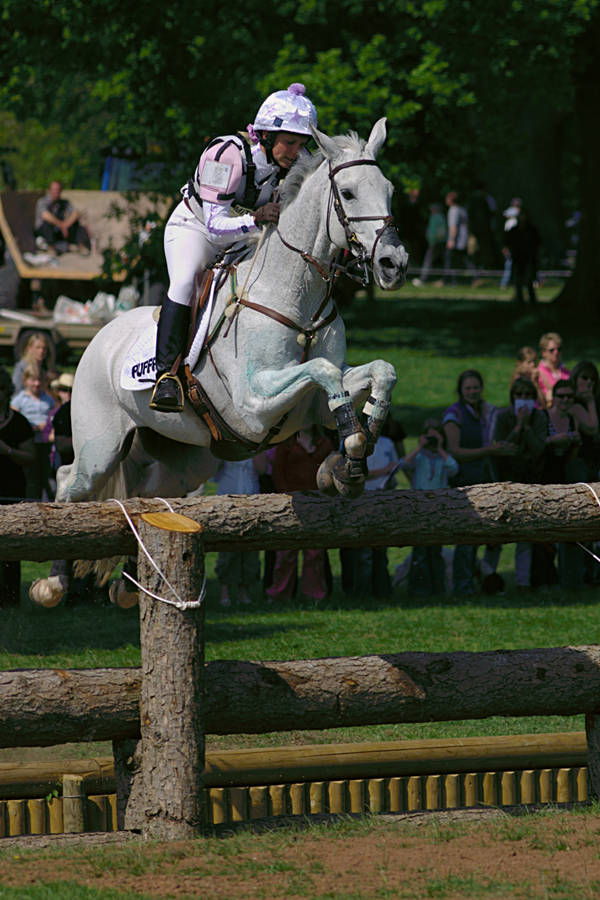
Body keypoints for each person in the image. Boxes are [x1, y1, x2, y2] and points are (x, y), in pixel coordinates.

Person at [150, 82, 318, 413]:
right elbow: (214, 224)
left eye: (302, 143)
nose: (297, 151)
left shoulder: (297, 162)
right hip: (195, 229)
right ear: (266, 136)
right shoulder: (225, 153)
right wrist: (257, 220)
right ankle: (166, 376)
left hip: (244, 237)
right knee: (185, 282)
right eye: (290, 142)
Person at [442, 369, 516, 596]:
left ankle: (487, 581)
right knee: (468, 537)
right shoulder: (454, 415)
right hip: (465, 482)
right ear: (461, 391)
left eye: (476, 387)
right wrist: (487, 450)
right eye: (468, 388)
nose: (473, 392)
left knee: (493, 536)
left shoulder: (486, 411)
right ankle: (462, 585)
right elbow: (454, 450)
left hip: (486, 478)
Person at [266, 427, 333, 604]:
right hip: (290, 502)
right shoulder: (287, 443)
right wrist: (285, 497)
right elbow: (277, 472)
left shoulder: (324, 443)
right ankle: (280, 594)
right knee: (286, 552)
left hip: (317, 502)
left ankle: (314, 594)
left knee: (314, 553)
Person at [494, 377, 547, 590]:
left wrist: (526, 428)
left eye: (528, 396)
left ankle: (523, 582)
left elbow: (538, 450)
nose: (523, 400)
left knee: (525, 535)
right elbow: (503, 449)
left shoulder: (540, 417)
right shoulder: (503, 416)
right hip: (505, 479)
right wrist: (517, 427)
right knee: (497, 535)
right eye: (519, 396)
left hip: (532, 480)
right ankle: (489, 577)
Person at [398, 419, 459, 596]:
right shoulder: (420, 456)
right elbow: (403, 464)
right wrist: (419, 447)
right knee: (420, 552)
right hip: (419, 507)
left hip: (438, 508)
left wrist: (439, 448)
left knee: (436, 551)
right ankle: (419, 589)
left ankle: (437, 588)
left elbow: (454, 468)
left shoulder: (443, 457)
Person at [0, 366, 35, 607]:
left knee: (10, 548)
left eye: (1, 388)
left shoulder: (19, 422)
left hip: (11, 491)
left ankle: (11, 598)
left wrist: (7, 451)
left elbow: (31, 456)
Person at [213, 456, 266, 607]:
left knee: (249, 551)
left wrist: (255, 450)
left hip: (252, 500)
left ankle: (244, 592)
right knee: (227, 550)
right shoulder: (226, 447)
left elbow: (262, 469)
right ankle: (225, 591)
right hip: (227, 500)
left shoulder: (255, 449)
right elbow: (213, 468)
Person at [11, 364, 55, 499]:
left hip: (45, 443)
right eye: (33, 380)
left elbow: (53, 416)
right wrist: (32, 427)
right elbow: (14, 419)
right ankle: (31, 501)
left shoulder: (48, 399)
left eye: (39, 380)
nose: (36, 384)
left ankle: (51, 501)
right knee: (31, 478)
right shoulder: (20, 400)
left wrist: (48, 427)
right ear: (25, 381)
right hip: (28, 444)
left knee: (47, 477)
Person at [33, 181, 91, 255]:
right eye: (54, 189)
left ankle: (81, 246)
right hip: (43, 230)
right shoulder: (43, 201)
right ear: (50, 190)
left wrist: (66, 224)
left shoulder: (64, 202)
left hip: (58, 230)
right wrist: (62, 225)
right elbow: (45, 215)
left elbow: (75, 213)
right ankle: (51, 248)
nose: (56, 191)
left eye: (58, 189)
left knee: (77, 224)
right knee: (48, 223)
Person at [505, 207, 540, 305]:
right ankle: (519, 298)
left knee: (529, 279)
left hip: (528, 257)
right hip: (518, 257)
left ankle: (531, 299)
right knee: (519, 279)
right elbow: (508, 242)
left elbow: (537, 243)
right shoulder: (514, 230)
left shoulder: (532, 230)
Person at [439, 191, 475, 285]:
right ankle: (475, 278)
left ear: (451, 200)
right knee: (465, 259)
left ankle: (447, 280)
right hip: (463, 240)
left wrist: (451, 240)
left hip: (456, 240)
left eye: (447, 198)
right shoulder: (462, 209)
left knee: (449, 259)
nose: (446, 200)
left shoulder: (453, 210)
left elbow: (453, 226)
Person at [412, 202, 446, 286]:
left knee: (428, 260)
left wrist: (433, 241)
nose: (431, 210)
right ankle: (445, 279)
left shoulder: (436, 217)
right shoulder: (439, 217)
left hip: (435, 242)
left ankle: (422, 279)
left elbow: (437, 231)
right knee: (443, 261)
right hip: (439, 242)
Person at [537, 332, 570, 408]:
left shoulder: (567, 373)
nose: (556, 352)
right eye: (552, 350)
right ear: (543, 353)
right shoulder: (537, 373)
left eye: (559, 349)